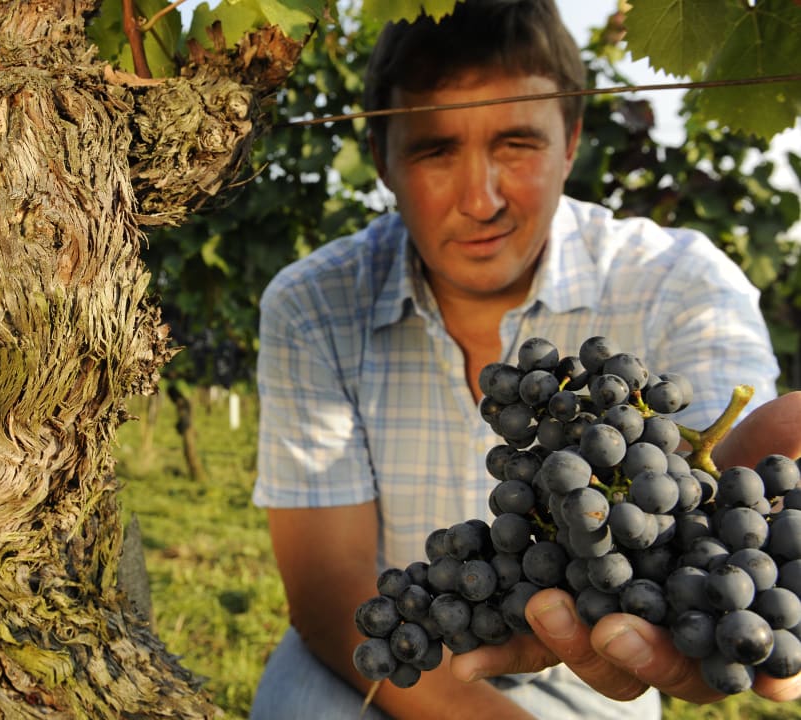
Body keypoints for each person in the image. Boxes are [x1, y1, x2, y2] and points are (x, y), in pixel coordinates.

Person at [248, 2, 801, 719]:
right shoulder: (313, 304)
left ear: (570, 140)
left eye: (515, 144)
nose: (481, 200)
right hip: (392, 639)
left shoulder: (680, 282)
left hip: (599, 650)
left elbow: (720, 505)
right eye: (435, 150)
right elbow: (328, 585)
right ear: (382, 159)